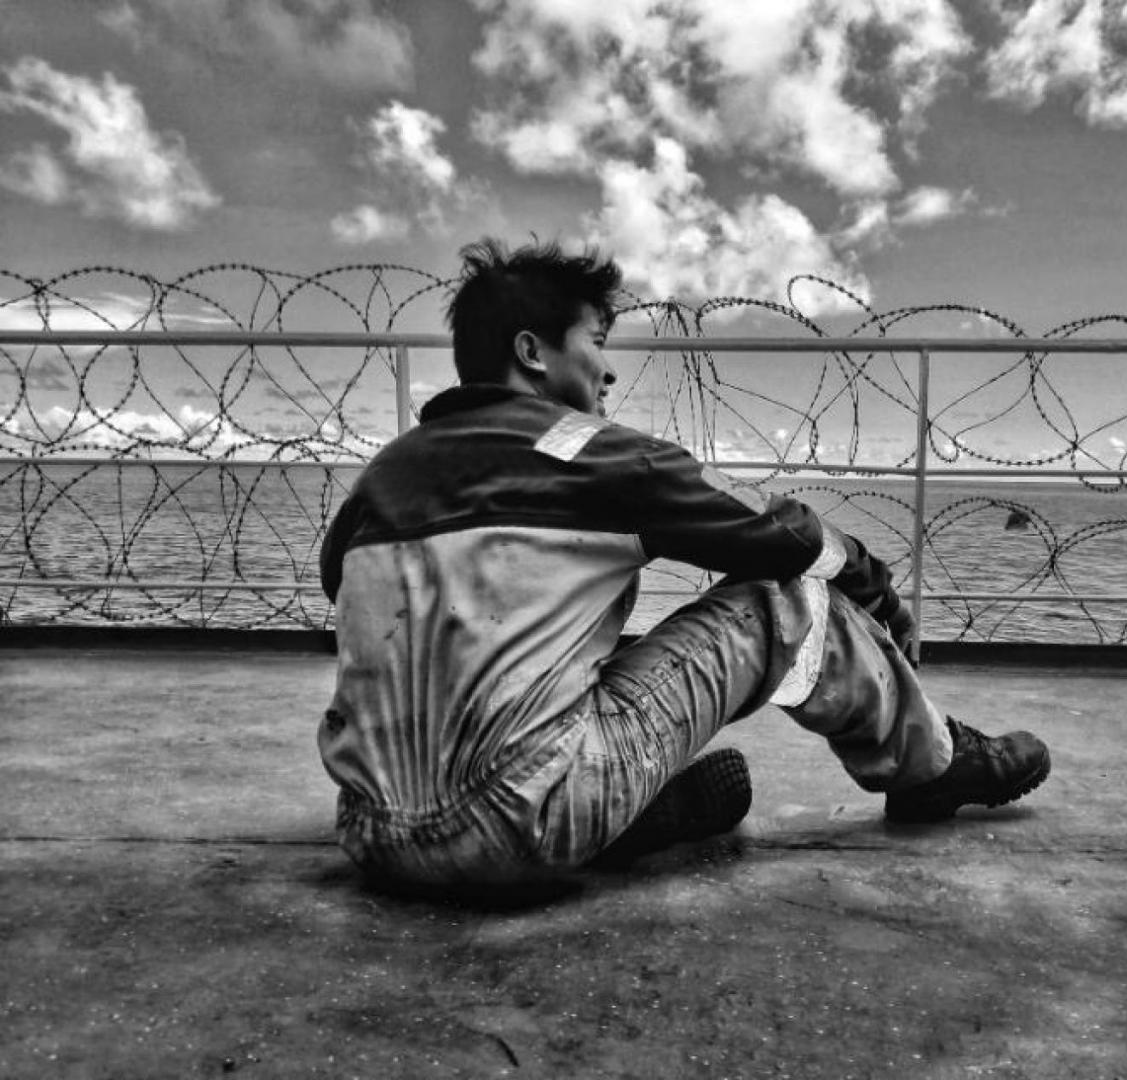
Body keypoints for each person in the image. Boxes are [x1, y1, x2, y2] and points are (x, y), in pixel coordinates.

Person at [317, 238, 1050, 893]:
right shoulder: (596, 453)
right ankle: (929, 765)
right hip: (523, 820)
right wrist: (866, 573)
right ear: (533, 352)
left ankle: (621, 815)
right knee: (785, 602)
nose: (606, 373)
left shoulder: (382, 477)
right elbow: (776, 538)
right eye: (596, 341)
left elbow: (350, 596)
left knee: (567, 661)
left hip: (373, 834)